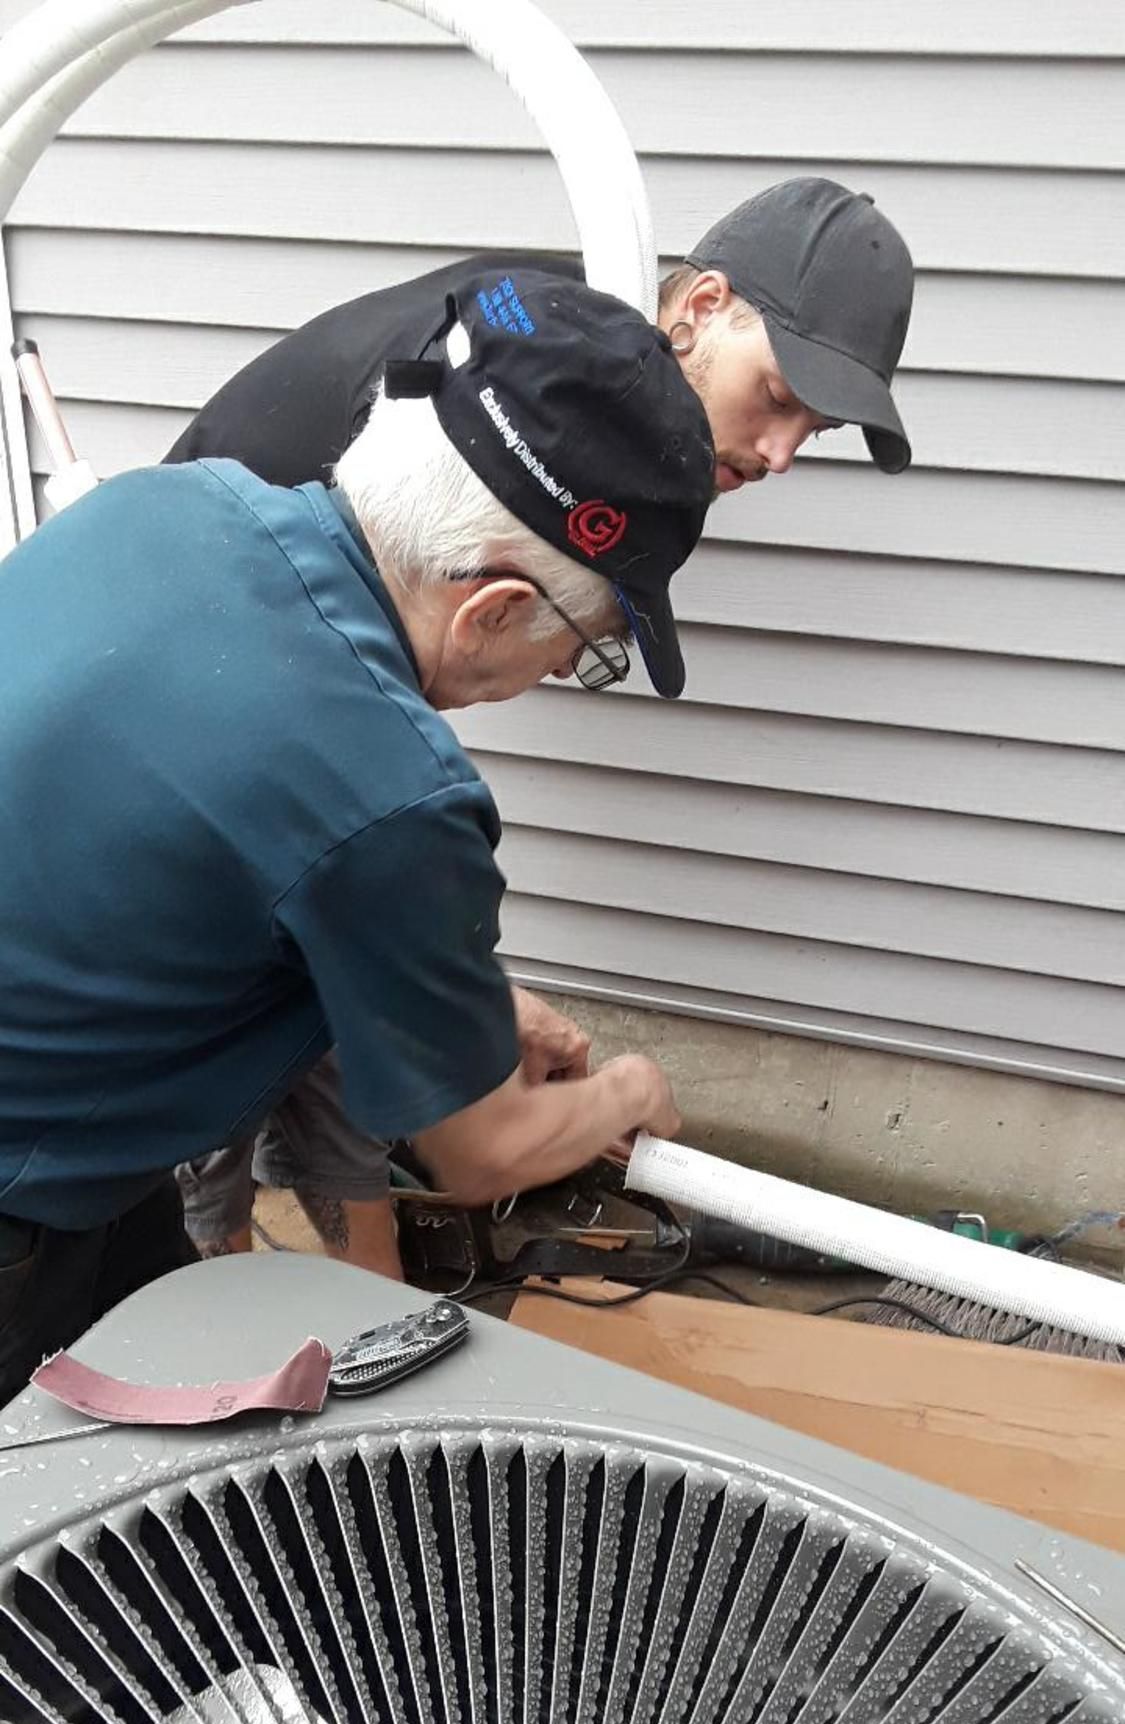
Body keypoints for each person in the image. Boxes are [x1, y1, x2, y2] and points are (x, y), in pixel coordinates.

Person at [167, 176, 916, 1271]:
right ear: (701, 305)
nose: (785, 450)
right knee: (219, 1105)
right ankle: (225, 1343)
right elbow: (359, 803)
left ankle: (379, 1347)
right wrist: (531, 1040)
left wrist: (470, 997)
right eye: (779, 395)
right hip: (202, 720)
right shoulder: (507, 378)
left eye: (819, 424)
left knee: (343, 1097)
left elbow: (383, 802)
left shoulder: (604, 390)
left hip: (311, 723)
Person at [0, 269, 714, 1403]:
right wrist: (632, 1091)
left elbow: (232, 860)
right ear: (492, 608)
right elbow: (481, 1154)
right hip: (22, 1183)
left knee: (152, 1368)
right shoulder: (395, 790)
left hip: (76, 1125)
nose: (558, 673)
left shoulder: (173, 502)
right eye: (584, 647)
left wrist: (482, 1017)